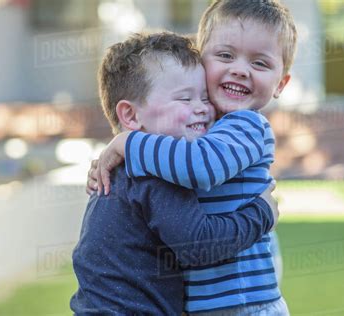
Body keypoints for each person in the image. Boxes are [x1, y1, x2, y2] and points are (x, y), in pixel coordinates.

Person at [91, 1, 296, 314]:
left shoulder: (248, 125)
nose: (240, 69)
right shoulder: (204, 128)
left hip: (244, 304)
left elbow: (199, 167)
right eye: (225, 55)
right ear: (202, 59)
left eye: (260, 63)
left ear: (280, 84)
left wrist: (127, 144)